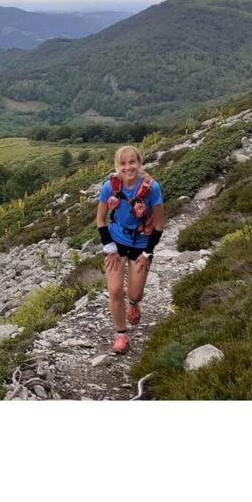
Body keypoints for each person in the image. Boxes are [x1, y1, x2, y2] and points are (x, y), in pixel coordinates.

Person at [96, 145, 165, 354]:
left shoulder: (152, 188)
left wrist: (148, 252)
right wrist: (110, 248)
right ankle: (120, 335)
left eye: (132, 162)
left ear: (140, 163)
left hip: (141, 244)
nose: (128, 167)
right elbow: (100, 220)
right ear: (117, 166)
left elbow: (160, 223)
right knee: (115, 290)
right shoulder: (110, 187)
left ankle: (134, 304)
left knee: (135, 293)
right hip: (116, 242)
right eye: (123, 163)